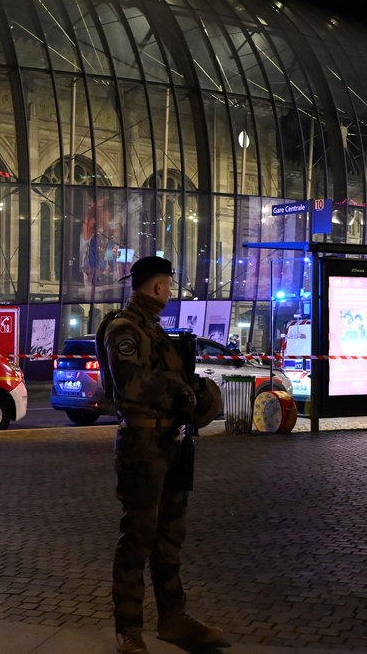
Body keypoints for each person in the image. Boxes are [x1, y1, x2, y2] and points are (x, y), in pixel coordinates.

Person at [96, 255, 226, 654]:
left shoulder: (155, 331)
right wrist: (179, 387)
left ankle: (173, 619)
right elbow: (133, 385)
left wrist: (198, 394)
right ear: (156, 287)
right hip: (141, 447)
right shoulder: (124, 328)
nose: (169, 292)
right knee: (138, 538)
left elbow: (176, 383)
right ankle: (129, 630)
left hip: (170, 443)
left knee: (170, 537)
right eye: (168, 285)